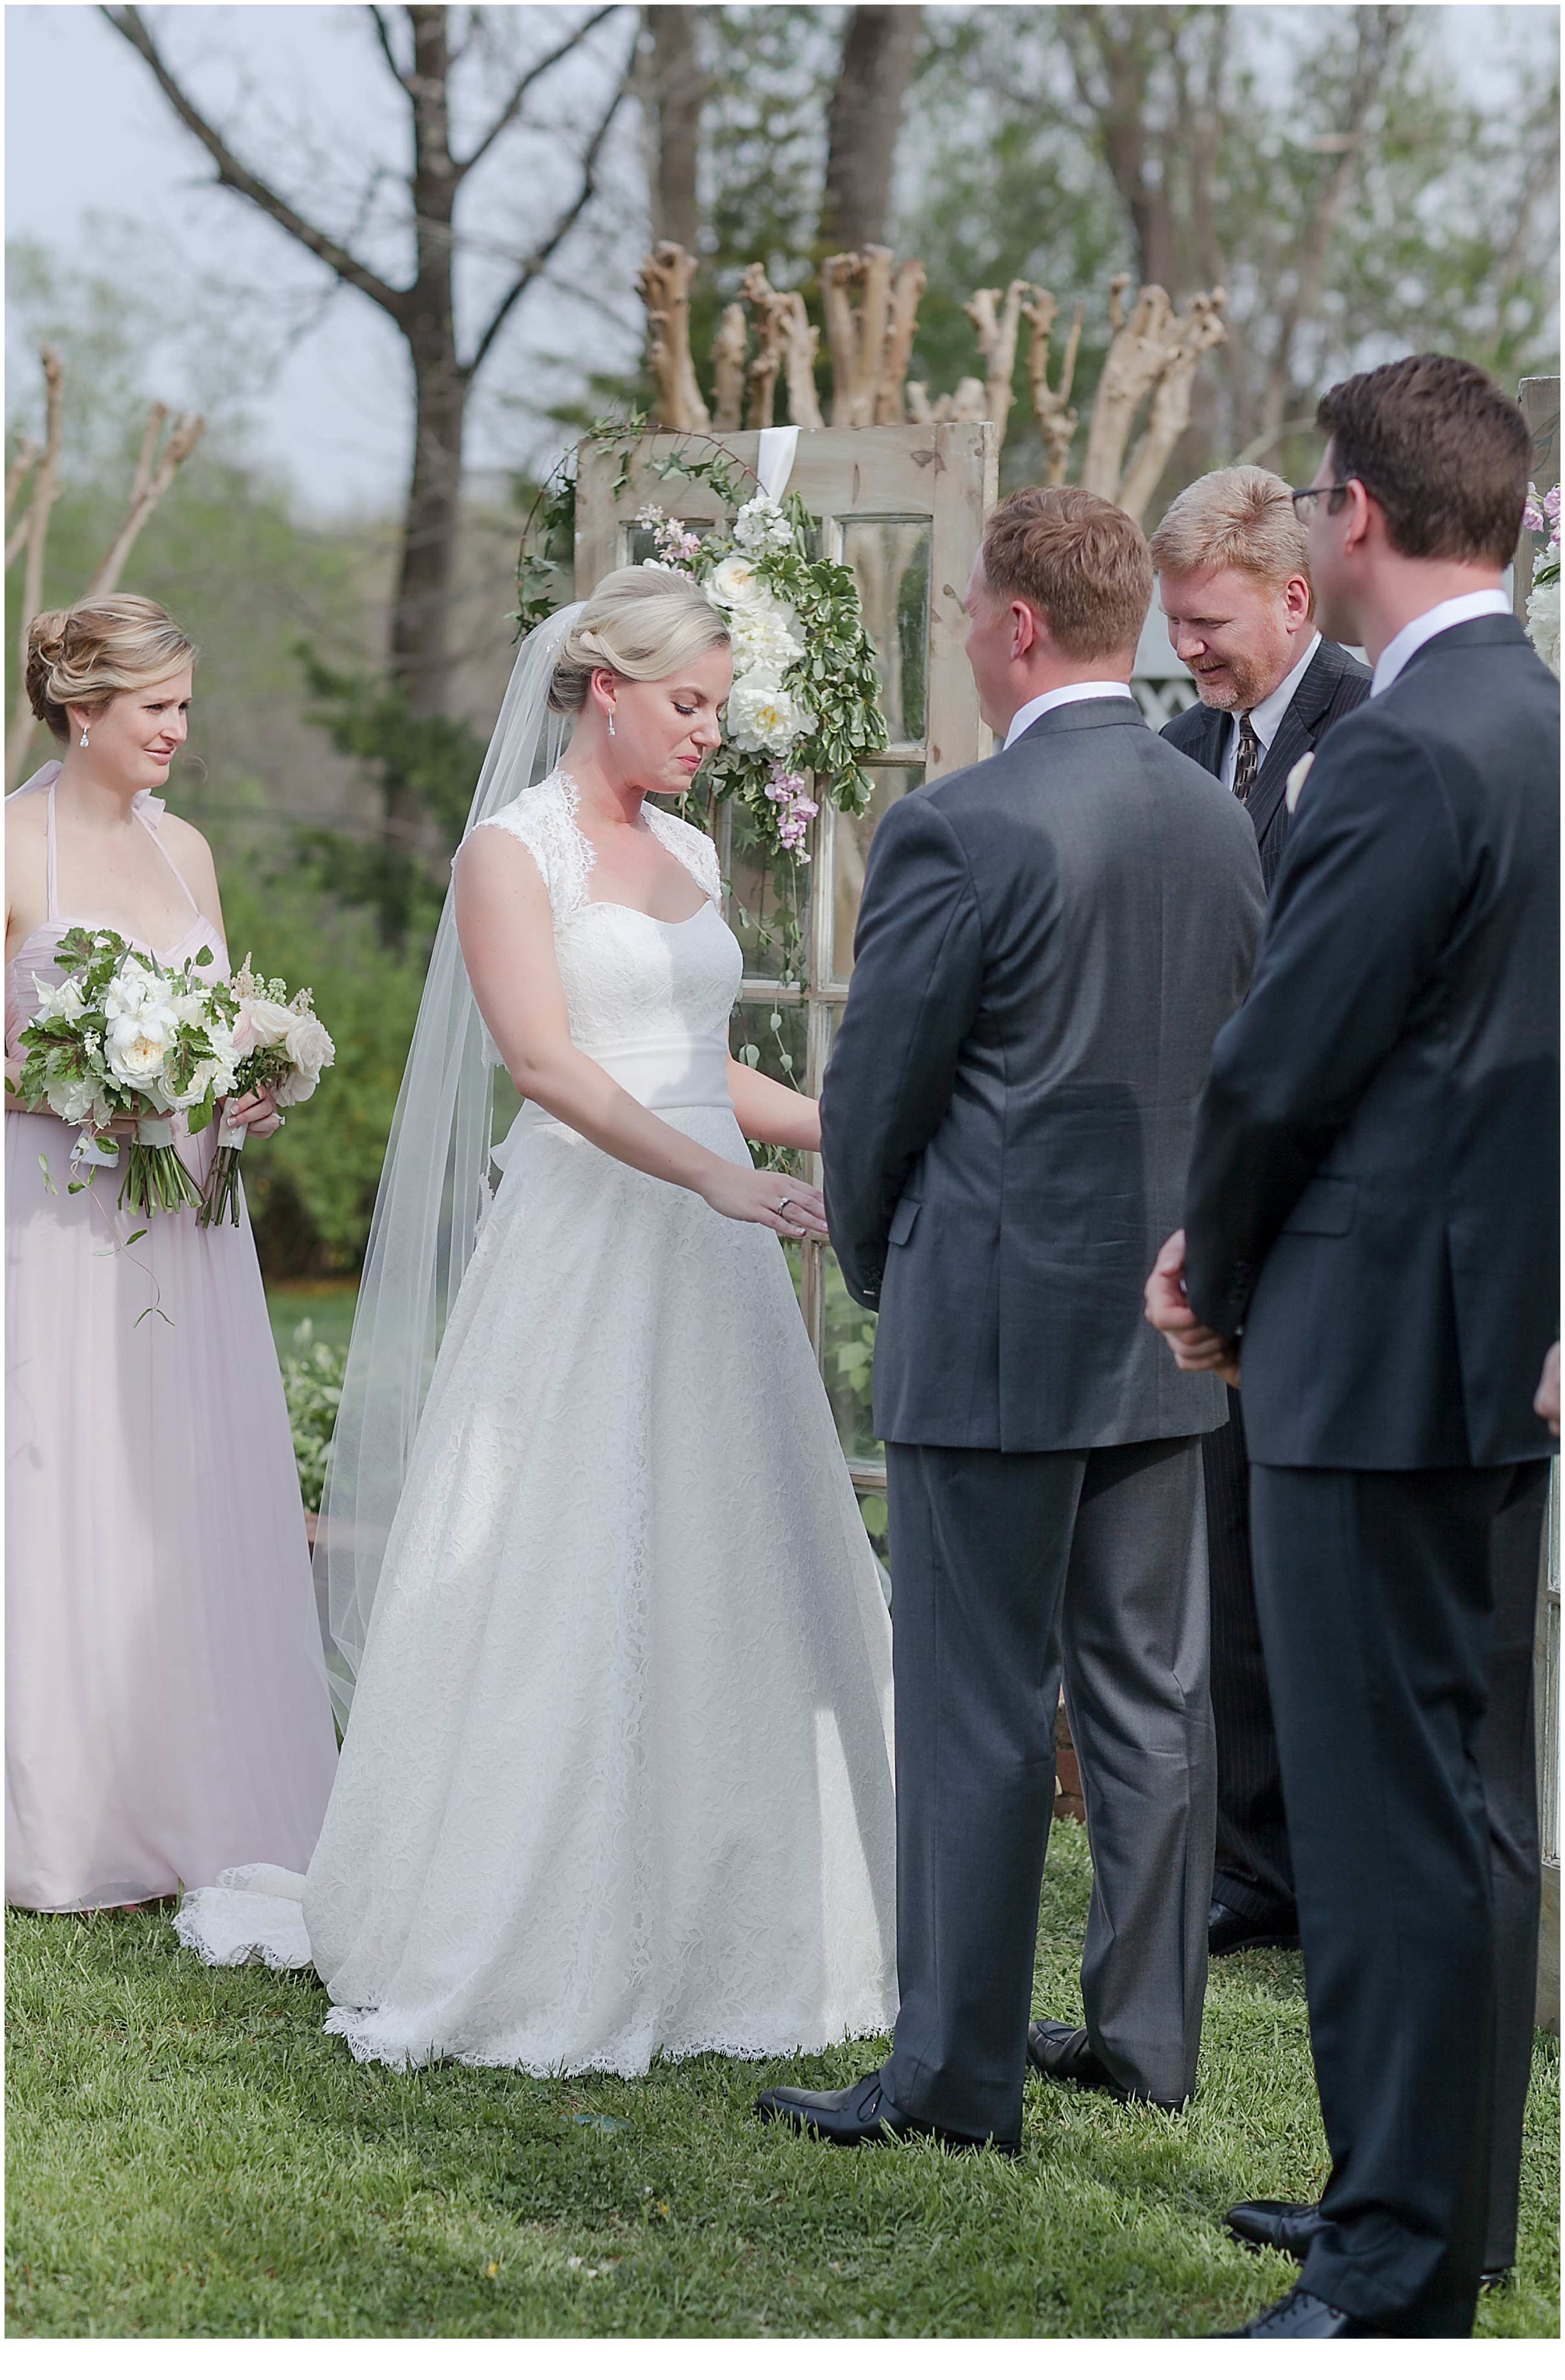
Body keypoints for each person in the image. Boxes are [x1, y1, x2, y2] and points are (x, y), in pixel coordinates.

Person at [176, 570, 898, 2077]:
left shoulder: (692, 846)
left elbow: (703, 1061)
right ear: (602, 689)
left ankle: (752, 1905)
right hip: (592, 1242)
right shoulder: (514, 852)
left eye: (717, 703)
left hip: (709, 1250)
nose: (711, 731)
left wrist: (839, 1132)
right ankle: (527, 1910)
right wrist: (717, 1178)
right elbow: (552, 1068)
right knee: (568, 1555)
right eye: (689, 704)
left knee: (733, 1556)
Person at [755, 487, 1265, 2154]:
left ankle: (954, 2077)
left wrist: (888, 1266)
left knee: (975, 1701)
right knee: (1147, 1691)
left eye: (971, 608)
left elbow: (876, 1086)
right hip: (1170, 1322)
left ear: (1021, 625)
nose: (965, 635)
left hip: (991, 1326)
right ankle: (1145, 2035)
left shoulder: (957, 826)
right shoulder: (1217, 816)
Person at [1147, 353, 1558, 2338]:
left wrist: (1206, 1270)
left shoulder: (1402, 747)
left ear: (1358, 518)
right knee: (1472, 1803)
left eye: (1315, 498)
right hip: (1489, 1350)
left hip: (1371, 1348)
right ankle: (1434, 2209)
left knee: (1383, 1819)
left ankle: (1393, 2261)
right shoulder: (1542, 721)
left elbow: (1283, 1058)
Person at [5, 595, 337, 1911]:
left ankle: (193, 1785)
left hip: (190, 1214)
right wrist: (87, 1088)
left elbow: (215, 1016)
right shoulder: (15, 854)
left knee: (176, 1488)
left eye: (186, 708)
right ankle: (63, 1813)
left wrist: (242, 1082)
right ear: (81, 710)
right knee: (61, 1477)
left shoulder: (187, 851)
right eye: (157, 709)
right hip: (55, 1212)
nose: (178, 734)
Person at [1151, 467, 1371, 1960]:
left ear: (1294, 598)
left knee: (1323, 1558)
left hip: (1338, 1202)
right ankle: (1251, 1862)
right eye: (1172, 623)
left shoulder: (1368, 736)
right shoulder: (1178, 751)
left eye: (1210, 621)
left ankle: (1330, 1856)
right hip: (1210, 1196)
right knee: (1220, 1545)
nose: (1188, 650)